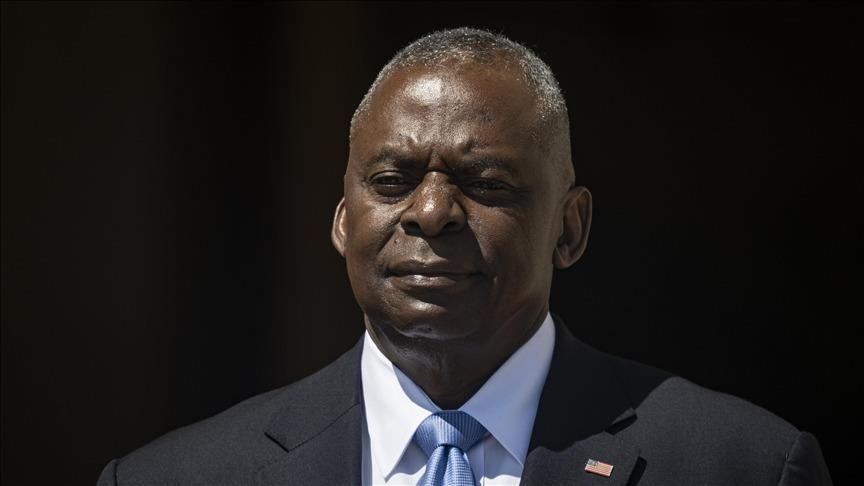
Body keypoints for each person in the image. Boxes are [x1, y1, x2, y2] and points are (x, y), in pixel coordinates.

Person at [97, 28, 832, 486]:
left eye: (485, 184)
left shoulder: (743, 466)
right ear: (343, 222)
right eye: (393, 181)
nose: (431, 212)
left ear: (569, 230)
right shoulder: (175, 477)